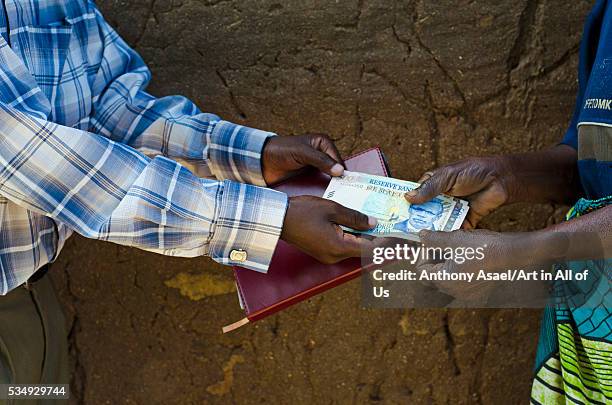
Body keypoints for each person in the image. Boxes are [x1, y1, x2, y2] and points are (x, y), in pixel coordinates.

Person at [0, 0, 376, 391]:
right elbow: (40, 163)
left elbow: (107, 105)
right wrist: (272, 219)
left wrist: (253, 154)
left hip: (33, 306)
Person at [406, 1, 611, 403]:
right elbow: (590, 159)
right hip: (593, 340)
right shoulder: (607, 15)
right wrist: (506, 176)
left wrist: (518, 253)